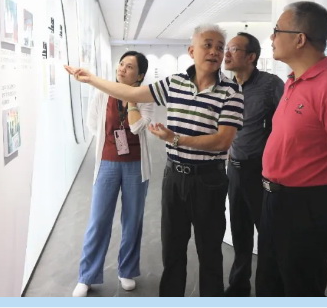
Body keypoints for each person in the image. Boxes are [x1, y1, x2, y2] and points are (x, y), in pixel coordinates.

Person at [66, 24, 244, 297]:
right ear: (192, 51)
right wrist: (90, 79)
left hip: (208, 178)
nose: (214, 52)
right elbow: (129, 95)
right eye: (207, 45)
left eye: (220, 47)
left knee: (209, 251)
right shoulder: (174, 83)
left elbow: (223, 141)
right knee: (171, 250)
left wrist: (175, 139)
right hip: (173, 176)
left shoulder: (231, 91)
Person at [256, 1, 327, 296]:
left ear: (299, 39)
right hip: (274, 200)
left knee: (301, 288)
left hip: (307, 207)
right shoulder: (293, 82)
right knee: (269, 285)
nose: (272, 37)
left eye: (277, 31)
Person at [72, 51, 155, 297]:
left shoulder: (145, 97)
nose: (122, 69)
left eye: (129, 67)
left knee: (132, 220)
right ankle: (87, 276)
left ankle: (127, 270)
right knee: (98, 220)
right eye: (121, 64)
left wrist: (131, 98)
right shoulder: (102, 92)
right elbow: (93, 123)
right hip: (107, 163)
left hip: (136, 165)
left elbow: (137, 126)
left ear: (139, 75)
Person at [222, 32, 284, 297]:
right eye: (227, 48)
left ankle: (269, 292)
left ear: (251, 57)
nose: (226, 53)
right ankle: (238, 287)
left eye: (234, 49)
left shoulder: (270, 85)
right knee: (239, 231)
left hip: (260, 170)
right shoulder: (225, 86)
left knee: (268, 234)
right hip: (233, 168)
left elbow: (285, 127)